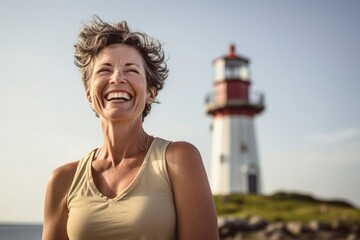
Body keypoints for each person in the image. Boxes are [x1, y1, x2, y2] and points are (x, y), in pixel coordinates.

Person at [42, 16, 219, 240]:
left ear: (150, 93)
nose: (117, 78)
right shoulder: (62, 180)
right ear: (88, 91)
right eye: (104, 70)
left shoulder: (179, 159)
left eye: (131, 70)